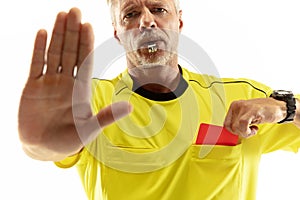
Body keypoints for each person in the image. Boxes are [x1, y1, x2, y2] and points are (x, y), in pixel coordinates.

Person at [18, 0, 300, 199]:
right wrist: (38, 144)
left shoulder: (241, 97)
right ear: (117, 33)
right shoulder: (89, 102)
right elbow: (46, 150)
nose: (146, 20)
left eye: (158, 9)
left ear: (178, 21)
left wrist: (288, 108)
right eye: (130, 14)